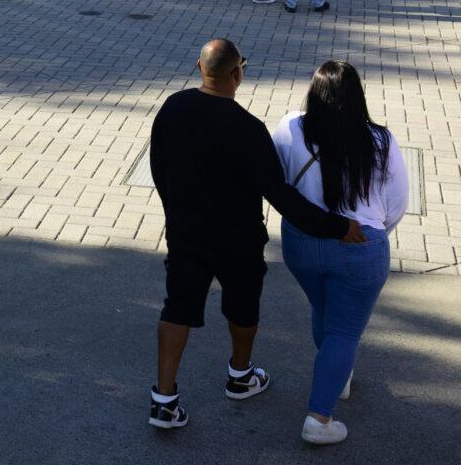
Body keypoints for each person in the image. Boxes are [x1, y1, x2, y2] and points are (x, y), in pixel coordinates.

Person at [147, 39, 360, 433]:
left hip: (185, 233)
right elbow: (280, 195)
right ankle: (240, 376)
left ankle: (164, 400)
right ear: (237, 74)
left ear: (199, 67)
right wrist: (336, 226)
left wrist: (175, 210)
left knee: (177, 307)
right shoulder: (248, 129)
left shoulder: (172, 108)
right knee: (243, 308)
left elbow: (157, 165)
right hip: (238, 238)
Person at [271, 61, 409, 445]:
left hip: (301, 242)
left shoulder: (290, 127)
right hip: (359, 247)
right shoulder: (380, 140)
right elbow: (397, 203)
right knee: (345, 330)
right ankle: (319, 417)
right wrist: (377, 234)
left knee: (324, 309)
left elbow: (279, 181)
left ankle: (338, 375)